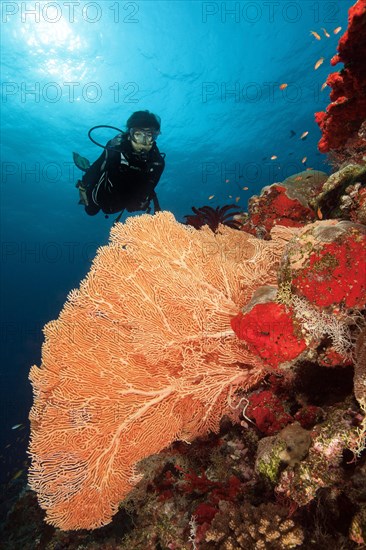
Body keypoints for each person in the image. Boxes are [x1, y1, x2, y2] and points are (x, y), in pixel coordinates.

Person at [77, 111, 165, 217]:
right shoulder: (116, 148)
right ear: (129, 134)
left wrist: (141, 201)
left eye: (149, 136)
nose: (144, 142)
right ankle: (85, 169)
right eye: (138, 135)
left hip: (121, 202)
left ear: (155, 137)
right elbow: (98, 166)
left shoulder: (157, 163)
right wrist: (85, 183)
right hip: (102, 194)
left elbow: (150, 188)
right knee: (90, 211)